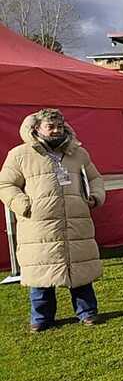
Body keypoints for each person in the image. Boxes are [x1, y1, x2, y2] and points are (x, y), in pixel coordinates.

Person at [0, 109, 107, 331]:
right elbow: (5, 185)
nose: (57, 130)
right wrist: (24, 206)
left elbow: (95, 178)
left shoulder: (78, 153)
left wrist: (95, 197)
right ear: (36, 128)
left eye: (59, 125)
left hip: (76, 220)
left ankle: (87, 312)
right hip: (39, 225)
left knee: (80, 270)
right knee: (41, 273)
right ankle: (41, 318)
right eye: (51, 126)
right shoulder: (19, 154)